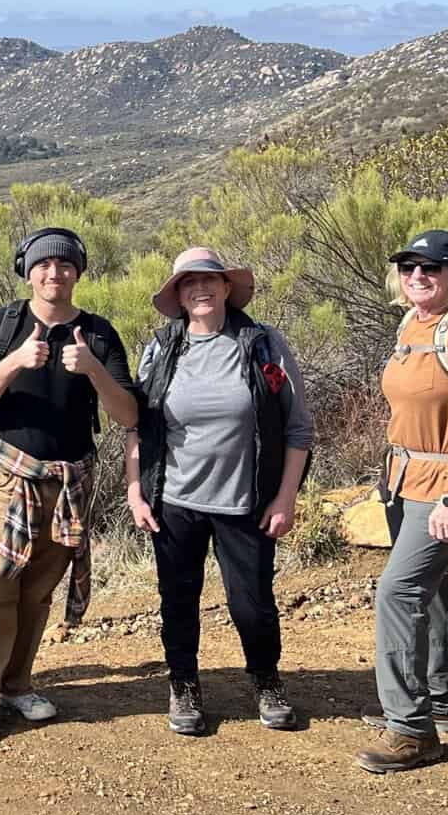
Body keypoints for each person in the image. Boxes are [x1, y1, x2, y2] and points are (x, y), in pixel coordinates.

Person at [0, 228, 137, 746]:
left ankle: (16, 685)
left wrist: (95, 370)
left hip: (69, 480)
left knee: (38, 593)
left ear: (78, 273)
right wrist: (15, 361)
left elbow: (127, 415)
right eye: (43, 265)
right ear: (28, 271)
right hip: (7, 476)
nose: (53, 274)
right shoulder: (3, 325)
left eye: (64, 266)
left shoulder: (99, 335)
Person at [123, 249, 314, 736]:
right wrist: (135, 491)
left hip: (246, 501)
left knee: (252, 602)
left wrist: (285, 497)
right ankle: (183, 683)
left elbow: (297, 428)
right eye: (188, 284)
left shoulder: (262, 344)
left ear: (228, 288)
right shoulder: (163, 349)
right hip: (174, 500)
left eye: (209, 281)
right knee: (177, 599)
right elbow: (137, 427)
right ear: (178, 296)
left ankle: (266, 678)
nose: (199, 290)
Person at [357, 230, 448, 774]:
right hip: (404, 480)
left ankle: (411, 730)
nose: (418, 276)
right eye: (409, 267)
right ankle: (438, 703)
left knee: (398, 592)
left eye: (433, 268)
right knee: (432, 589)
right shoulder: (413, 325)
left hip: (446, 485)